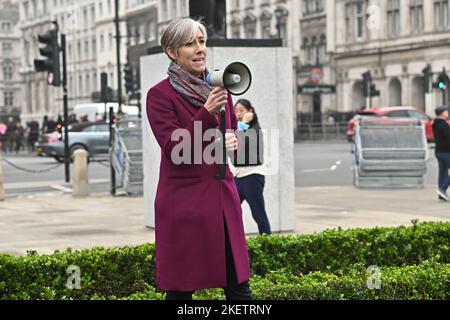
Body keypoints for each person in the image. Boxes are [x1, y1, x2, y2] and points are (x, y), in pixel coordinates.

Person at [146, 17, 252, 300]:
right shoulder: (159, 95)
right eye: (190, 43)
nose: (200, 49)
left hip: (222, 202)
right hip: (184, 206)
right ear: (172, 51)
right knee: (180, 292)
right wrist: (206, 112)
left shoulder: (220, 89)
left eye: (202, 42)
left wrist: (236, 142)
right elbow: (173, 148)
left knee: (239, 289)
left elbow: (233, 143)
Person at [233, 99, 271, 235]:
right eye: (236, 111)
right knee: (230, 210)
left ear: (250, 112)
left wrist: (243, 123)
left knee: (258, 213)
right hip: (238, 176)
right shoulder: (238, 128)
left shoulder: (255, 129)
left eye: (241, 110)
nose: (238, 114)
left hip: (253, 176)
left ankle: (268, 244)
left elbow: (242, 142)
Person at [432, 106, 450, 201]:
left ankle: (441, 195)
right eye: (446, 111)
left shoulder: (435, 123)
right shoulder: (444, 125)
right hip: (446, 151)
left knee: (443, 172)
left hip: (439, 151)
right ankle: (443, 189)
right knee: (443, 172)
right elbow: (448, 140)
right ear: (442, 113)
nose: (448, 113)